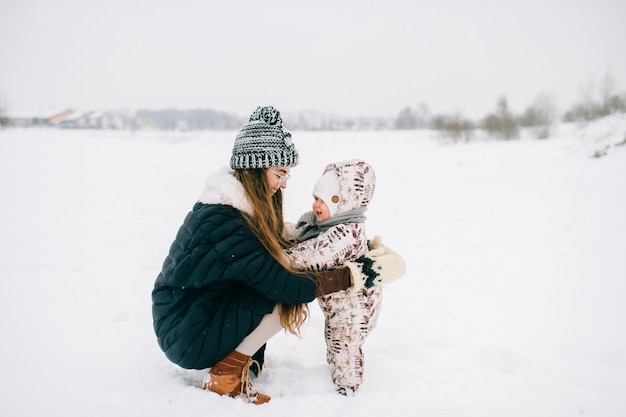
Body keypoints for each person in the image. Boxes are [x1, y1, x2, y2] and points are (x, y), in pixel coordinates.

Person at [151, 106, 405, 405]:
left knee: (271, 282)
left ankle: (237, 358)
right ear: (256, 170)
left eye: (287, 175)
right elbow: (287, 285)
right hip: (185, 332)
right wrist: (359, 274)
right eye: (279, 174)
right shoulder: (223, 222)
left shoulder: (237, 208)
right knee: (283, 293)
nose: (284, 184)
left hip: (196, 313)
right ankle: (226, 375)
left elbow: (275, 240)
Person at [284, 159, 383, 396]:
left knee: (345, 346)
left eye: (323, 201)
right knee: (335, 339)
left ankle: (347, 388)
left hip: (354, 308)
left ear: (342, 203)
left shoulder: (346, 234)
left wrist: (279, 255)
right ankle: (335, 371)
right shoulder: (328, 224)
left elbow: (310, 255)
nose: (315, 205)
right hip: (339, 306)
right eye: (315, 198)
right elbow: (301, 234)